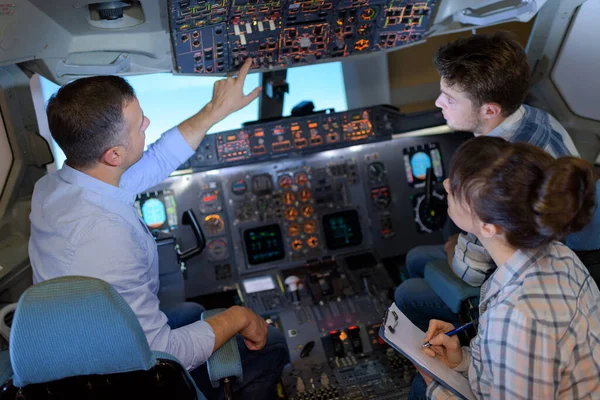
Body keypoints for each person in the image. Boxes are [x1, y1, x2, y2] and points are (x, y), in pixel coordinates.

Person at [29, 58, 289, 399]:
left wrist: (214, 110)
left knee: (194, 312)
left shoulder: (58, 186)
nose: (148, 123)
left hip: (87, 342)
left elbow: (155, 161)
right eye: (139, 125)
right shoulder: (103, 236)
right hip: (116, 380)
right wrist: (239, 316)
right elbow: (164, 356)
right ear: (113, 155)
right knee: (271, 345)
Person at [394, 31, 580, 332]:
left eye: (450, 99)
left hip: (525, 274)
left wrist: (454, 244)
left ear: (490, 110)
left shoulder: (496, 171)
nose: (438, 102)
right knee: (418, 259)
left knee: (407, 292)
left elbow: (472, 272)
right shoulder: (539, 118)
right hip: (556, 250)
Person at [414, 136, 600, 399]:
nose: (445, 184)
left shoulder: (516, 317)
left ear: (488, 227)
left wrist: (435, 388)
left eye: (456, 187)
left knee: (419, 387)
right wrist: (462, 362)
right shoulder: (560, 255)